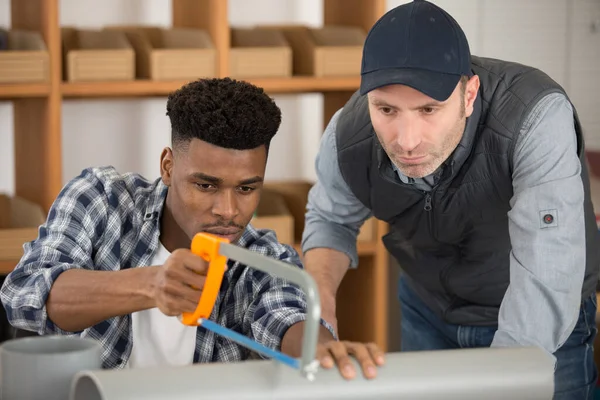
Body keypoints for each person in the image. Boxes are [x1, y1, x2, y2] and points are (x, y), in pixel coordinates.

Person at [301, 0, 599, 398]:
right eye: (386, 109)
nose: (406, 142)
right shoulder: (348, 133)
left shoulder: (535, 117)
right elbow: (330, 220)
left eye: (429, 109)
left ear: (469, 93)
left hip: (536, 314)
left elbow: (549, 265)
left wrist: (506, 380)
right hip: (427, 310)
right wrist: (318, 310)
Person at [0, 78, 384, 379]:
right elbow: (24, 294)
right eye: (206, 185)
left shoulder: (264, 258)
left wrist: (320, 351)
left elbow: (287, 315)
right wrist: (151, 284)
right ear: (168, 166)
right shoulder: (101, 198)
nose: (229, 211)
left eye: (247, 188)